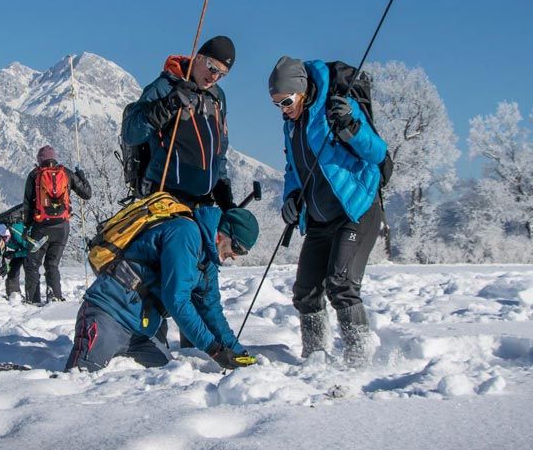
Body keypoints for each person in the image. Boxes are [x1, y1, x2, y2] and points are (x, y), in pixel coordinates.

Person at [268, 56, 388, 366]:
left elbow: (376, 153)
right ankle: (315, 357)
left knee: (341, 283)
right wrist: (292, 196)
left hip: (356, 210)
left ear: (302, 91)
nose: (283, 109)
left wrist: (351, 126)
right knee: (305, 291)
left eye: (286, 100)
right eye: (276, 103)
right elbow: (293, 168)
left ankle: (360, 359)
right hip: (319, 218)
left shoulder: (336, 107)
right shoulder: (291, 126)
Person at [65, 206, 259, 372]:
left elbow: (211, 309)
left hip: (141, 332)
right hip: (108, 315)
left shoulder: (208, 260)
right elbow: (176, 300)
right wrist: (214, 349)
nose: (235, 255)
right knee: (79, 380)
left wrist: (237, 351)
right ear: (221, 235)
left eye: (242, 253)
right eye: (237, 247)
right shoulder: (185, 233)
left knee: (166, 382)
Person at [121, 35, 236, 210]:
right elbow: (131, 133)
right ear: (198, 57)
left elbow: (219, 149)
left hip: (203, 202)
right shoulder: (165, 87)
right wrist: (168, 105)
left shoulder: (217, 97)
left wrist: (223, 192)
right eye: (212, 68)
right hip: (165, 197)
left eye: (222, 74)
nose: (215, 77)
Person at [22, 145, 92, 303]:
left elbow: (27, 204)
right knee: (52, 264)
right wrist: (81, 175)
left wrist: (27, 227)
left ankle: (33, 301)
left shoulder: (34, 175)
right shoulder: (66, 173)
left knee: (32, 263)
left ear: (39, 159)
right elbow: (87, 194)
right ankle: (55, 297)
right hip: (62, 227)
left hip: (41, 228)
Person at [0, 220, 30, 299]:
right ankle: (14, 294)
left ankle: (33, 297)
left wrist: (15, 254)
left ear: (2, 237)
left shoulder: (16, 232)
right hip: (18, 247)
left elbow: (30, 250)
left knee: (30, 268)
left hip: (30, 244)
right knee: (13, 269)